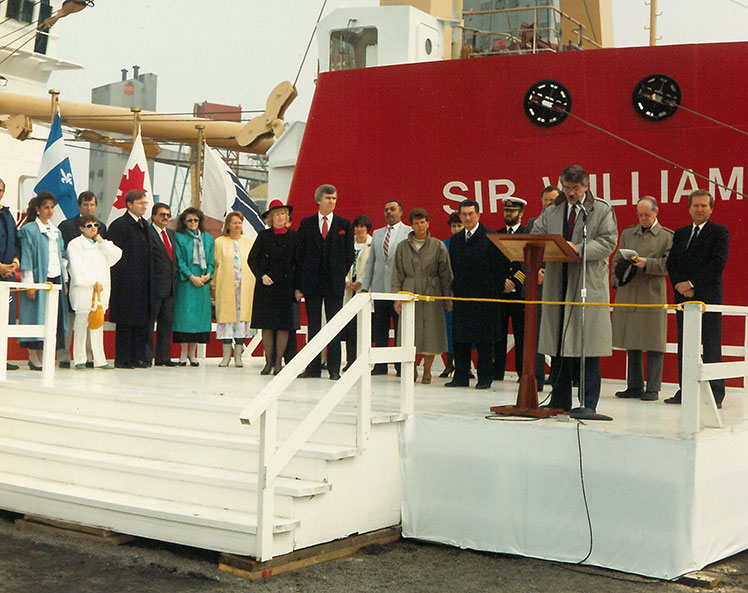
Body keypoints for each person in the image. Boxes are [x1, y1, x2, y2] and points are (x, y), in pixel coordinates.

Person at [530, 165, 618, 412]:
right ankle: (559, 402)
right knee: (558, 345)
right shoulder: (553, 210)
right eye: (566, 188)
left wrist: (578, 249)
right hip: (557, 283)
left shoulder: (600, 209)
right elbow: (537, 235)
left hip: (586, 284)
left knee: (587, 348)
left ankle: (588, 404)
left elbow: (608, 242)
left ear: (586, 186)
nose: (571, 193)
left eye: (576, 189)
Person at [666, 189, 729, 408]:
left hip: (708, 298)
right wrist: (680, 286)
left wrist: (691, 284)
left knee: (711, 344)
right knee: (686, 345)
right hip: (684, 299)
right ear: (689, 208)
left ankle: (715, 394)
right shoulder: (681, 233)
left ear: (711, 209)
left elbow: (717, 264)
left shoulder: (720, 232)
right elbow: (671, 263)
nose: (699, 209)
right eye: (695, 205)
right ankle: (686, 390)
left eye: (704, 205)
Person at [611, 197, 673, 401]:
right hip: (629, 289)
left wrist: (648, 263)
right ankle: (634, 385)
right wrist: (615, 279)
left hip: (651, 292)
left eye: (647, 214)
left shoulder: (666, 236)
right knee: (632, 339)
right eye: (640, 214)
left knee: (654, 341)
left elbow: (669, 264)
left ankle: (653, 387)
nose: (643, 218)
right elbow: (617, 259)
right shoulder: (629, 233)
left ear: (656, 212)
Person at [447, 199, 508, 389]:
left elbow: (500, 268)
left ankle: (484, 378)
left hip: (485, 297)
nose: (467, 218)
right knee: (460, 338)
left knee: (484, 341)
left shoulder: (490, 236)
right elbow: (454, 268)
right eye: (463, 214)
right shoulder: (456, 240)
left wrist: (493, 292)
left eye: (471, 214)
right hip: (463, 296)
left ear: (478, 215)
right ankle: (461, 376)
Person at [295, 185, 355, 380]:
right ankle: (312, 368)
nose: (332, 201)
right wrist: (303, 281)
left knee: (334, 326)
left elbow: (348, 255)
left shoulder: (344, 225)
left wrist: (339, 274)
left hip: (334, 284)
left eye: (334, 198)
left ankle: (334, 368)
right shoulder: (307, 223)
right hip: (312, 283)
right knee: (313, 326)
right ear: (318, 200)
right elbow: (300, 254)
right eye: (328, 198)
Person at [392, 208, 453, 384]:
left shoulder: (438, 246)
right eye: (416, 223)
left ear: (428, 223)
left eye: (423, 222)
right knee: (409, 334)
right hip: (409, 291)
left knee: (431, 334)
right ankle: (411, 370)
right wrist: (396, 297)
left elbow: (445, 274)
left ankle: (427, 371)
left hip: (432, 293)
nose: (420, 226)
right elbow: (397, 274)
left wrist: (447, 297)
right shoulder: (403, 247)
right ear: (411, 225)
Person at [57, 191, 108, 369]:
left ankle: (87, 356)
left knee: (91, 320)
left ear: (96, 206)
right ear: (79, 206)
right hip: (74, 280)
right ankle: (64, 356)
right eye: (85, 205)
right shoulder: (66, 225)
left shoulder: (101, 226)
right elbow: (62, 255)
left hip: (95, 284)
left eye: (92, 205)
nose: (88, 208)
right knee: (71, 320)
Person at [18, 192, 69, 370]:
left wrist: (65, 281)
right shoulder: (29, 230)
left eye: (51, 207)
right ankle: (33, 356)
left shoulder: (56, 231)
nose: (49, 211)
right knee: (35, 316)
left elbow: (63, 256)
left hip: (55, 278)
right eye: (46, 207)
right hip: (39, 278)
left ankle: (44, 355)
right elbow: (26, 258)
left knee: (51, 318)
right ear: (38, 209)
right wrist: (29, 285)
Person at [361, 200, 411, 375]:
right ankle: (380, 365)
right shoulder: (378, 233)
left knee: (400, 330)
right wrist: (365, 287)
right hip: (380, 289)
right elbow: (372, 263)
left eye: (392, 209)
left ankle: (399, 366)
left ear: (401, 212)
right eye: (386, 209)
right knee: (380, 329)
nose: (389, 212)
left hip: (399, 291)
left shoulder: (409, 233)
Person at [248, 200, 298, 374]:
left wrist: (298, 288)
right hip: (266, 287)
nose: (280, 217)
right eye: (276, 214)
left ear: (287, 216)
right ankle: (268, 362)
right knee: (267, 325)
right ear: (270, 217)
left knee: (284, 325)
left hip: (286, 287)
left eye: (283, 213)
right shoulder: (263, 236)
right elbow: (251, 259)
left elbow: (298, 263)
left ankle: (278, 363)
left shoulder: (294, 236)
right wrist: (261, 275)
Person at [67, 214, 122, 369]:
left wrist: (102, 242)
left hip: (101, 292)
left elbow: (117, 256)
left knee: (98, 325)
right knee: (81, 325)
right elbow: (76, 270)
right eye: (89, 226)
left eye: (95, 225)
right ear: (81, 228)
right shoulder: (75, 245)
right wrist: (92, 281)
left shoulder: (102, 244)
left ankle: (100, 359)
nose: (93, 229)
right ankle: (79, 359)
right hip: (84, 291)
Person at [108, 189, 156, 369]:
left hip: (144, 283)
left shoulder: (145, 225)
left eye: (145, 203)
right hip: (126, 283)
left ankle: (138, 357)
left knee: (141, 321)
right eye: (140, 203)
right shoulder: (120, 225)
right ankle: (123, 358)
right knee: (126, 322)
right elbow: (114, 256)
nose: (144, 206)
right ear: (129, 204)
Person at [525, 186, 560, 390]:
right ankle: (536, 378)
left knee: (556, 334)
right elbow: (524, 252)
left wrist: (551, 274)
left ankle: (558, 378)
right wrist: (534, 271)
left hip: (557, 285)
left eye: (553, 200)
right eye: (546, 199)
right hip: (535, 286)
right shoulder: (532, 224)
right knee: (535, 334)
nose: (549, 203)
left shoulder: (564, 224)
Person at [172, 207, 215, 367]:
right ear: (183, 221)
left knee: (199, 319)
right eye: (189, 220)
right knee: (185, 317)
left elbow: (211, 260)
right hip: (186, 283)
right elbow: (179, 260)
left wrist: (207, 275)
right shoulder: (179, 237)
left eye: (195, 220)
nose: (192, 223)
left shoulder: (208, 238)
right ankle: (183, 353)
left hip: (202, 285)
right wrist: (191, 276)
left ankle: (193, 353)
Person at [214, 211, 255, 368]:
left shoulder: (249, 243)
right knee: (227, 321)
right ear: (228, 225)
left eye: (239, 222)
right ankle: (226, 357)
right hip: (226, 288)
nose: (237, 225)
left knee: (241, 322)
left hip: (244, 289)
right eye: (234, 222)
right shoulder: (220, 242)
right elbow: (216, 263)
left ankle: (238, 356)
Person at [494, 197, 528, 382]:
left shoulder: (527, 234)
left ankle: (522, 373)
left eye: (513, 211)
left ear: (521, 214)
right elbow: (494, 264)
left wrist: (515, 281)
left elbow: (528, 263)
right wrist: (502, 281)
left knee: (521, 335)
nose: (509, 214)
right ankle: (497, 371)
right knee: (498, 334)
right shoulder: (497, 235)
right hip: (501, 293)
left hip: (520, 293)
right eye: (506, 211)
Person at [147, 202, 177, 366]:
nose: (165, 217)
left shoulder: (171, 234)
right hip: (154, 287)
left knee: (166, 326)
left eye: (168, 214)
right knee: (149, 326)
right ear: (154, 216)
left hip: (170, 288)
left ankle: (163, 358)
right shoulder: (148, 233)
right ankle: (147, 357)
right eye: (162, 214)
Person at [342, 214, 372, 372]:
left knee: (364, 329)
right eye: (357, 226)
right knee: (350, 329)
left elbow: (371, 267)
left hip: (364, 290)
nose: (359, 229)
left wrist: (360, 281)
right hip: (348, 291)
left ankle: (363, 361)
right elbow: (342, 263)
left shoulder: (372, 245)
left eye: (363, 226)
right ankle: (350, 360)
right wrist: (347, 280)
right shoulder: (348, 244)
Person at [439, 212, 463, 378]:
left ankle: (465, 366)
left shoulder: (468, 243)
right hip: (448, 293)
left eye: (459, 225)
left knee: (464, 330)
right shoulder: (444, 245)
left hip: (464, 293)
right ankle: (449, 364)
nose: (456, 229)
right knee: (448, 330)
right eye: (453, 226)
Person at [0, 178, 20, 370]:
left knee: (4, 316)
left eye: (1, 190)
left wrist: (15, 262)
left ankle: (1, 359)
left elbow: (15, 241)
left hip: (7, 278)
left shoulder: (6, 214)